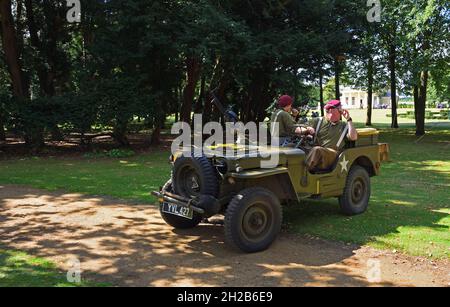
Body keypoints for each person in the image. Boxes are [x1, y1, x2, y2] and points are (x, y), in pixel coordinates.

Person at [303, 100, 358, 171]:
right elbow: (300, 127)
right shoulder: (318, 121)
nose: (330, 113)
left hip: (332, 154)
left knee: (317, 150)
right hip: (315, 150)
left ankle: (303, 173)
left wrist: (349, 119)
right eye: (328, 111)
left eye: (333, 111)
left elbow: (353, 137)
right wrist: (308, 128)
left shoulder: (344, 125)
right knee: (295, 148)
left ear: (340, 112)